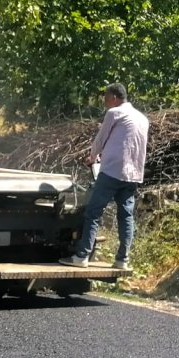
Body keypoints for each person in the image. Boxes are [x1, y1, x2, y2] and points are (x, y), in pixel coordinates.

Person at [60, 83, 149, 270]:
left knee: (93, 213)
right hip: (133, 174)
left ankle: (82, 256)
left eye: (106, 98)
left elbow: (101, 139)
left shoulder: (114, 114)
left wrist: (92, 157)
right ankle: (122, 260)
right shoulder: (142, 118)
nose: (105, 103)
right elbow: (125, 142)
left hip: (112, 171)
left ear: (115, 98)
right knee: (126, 216)